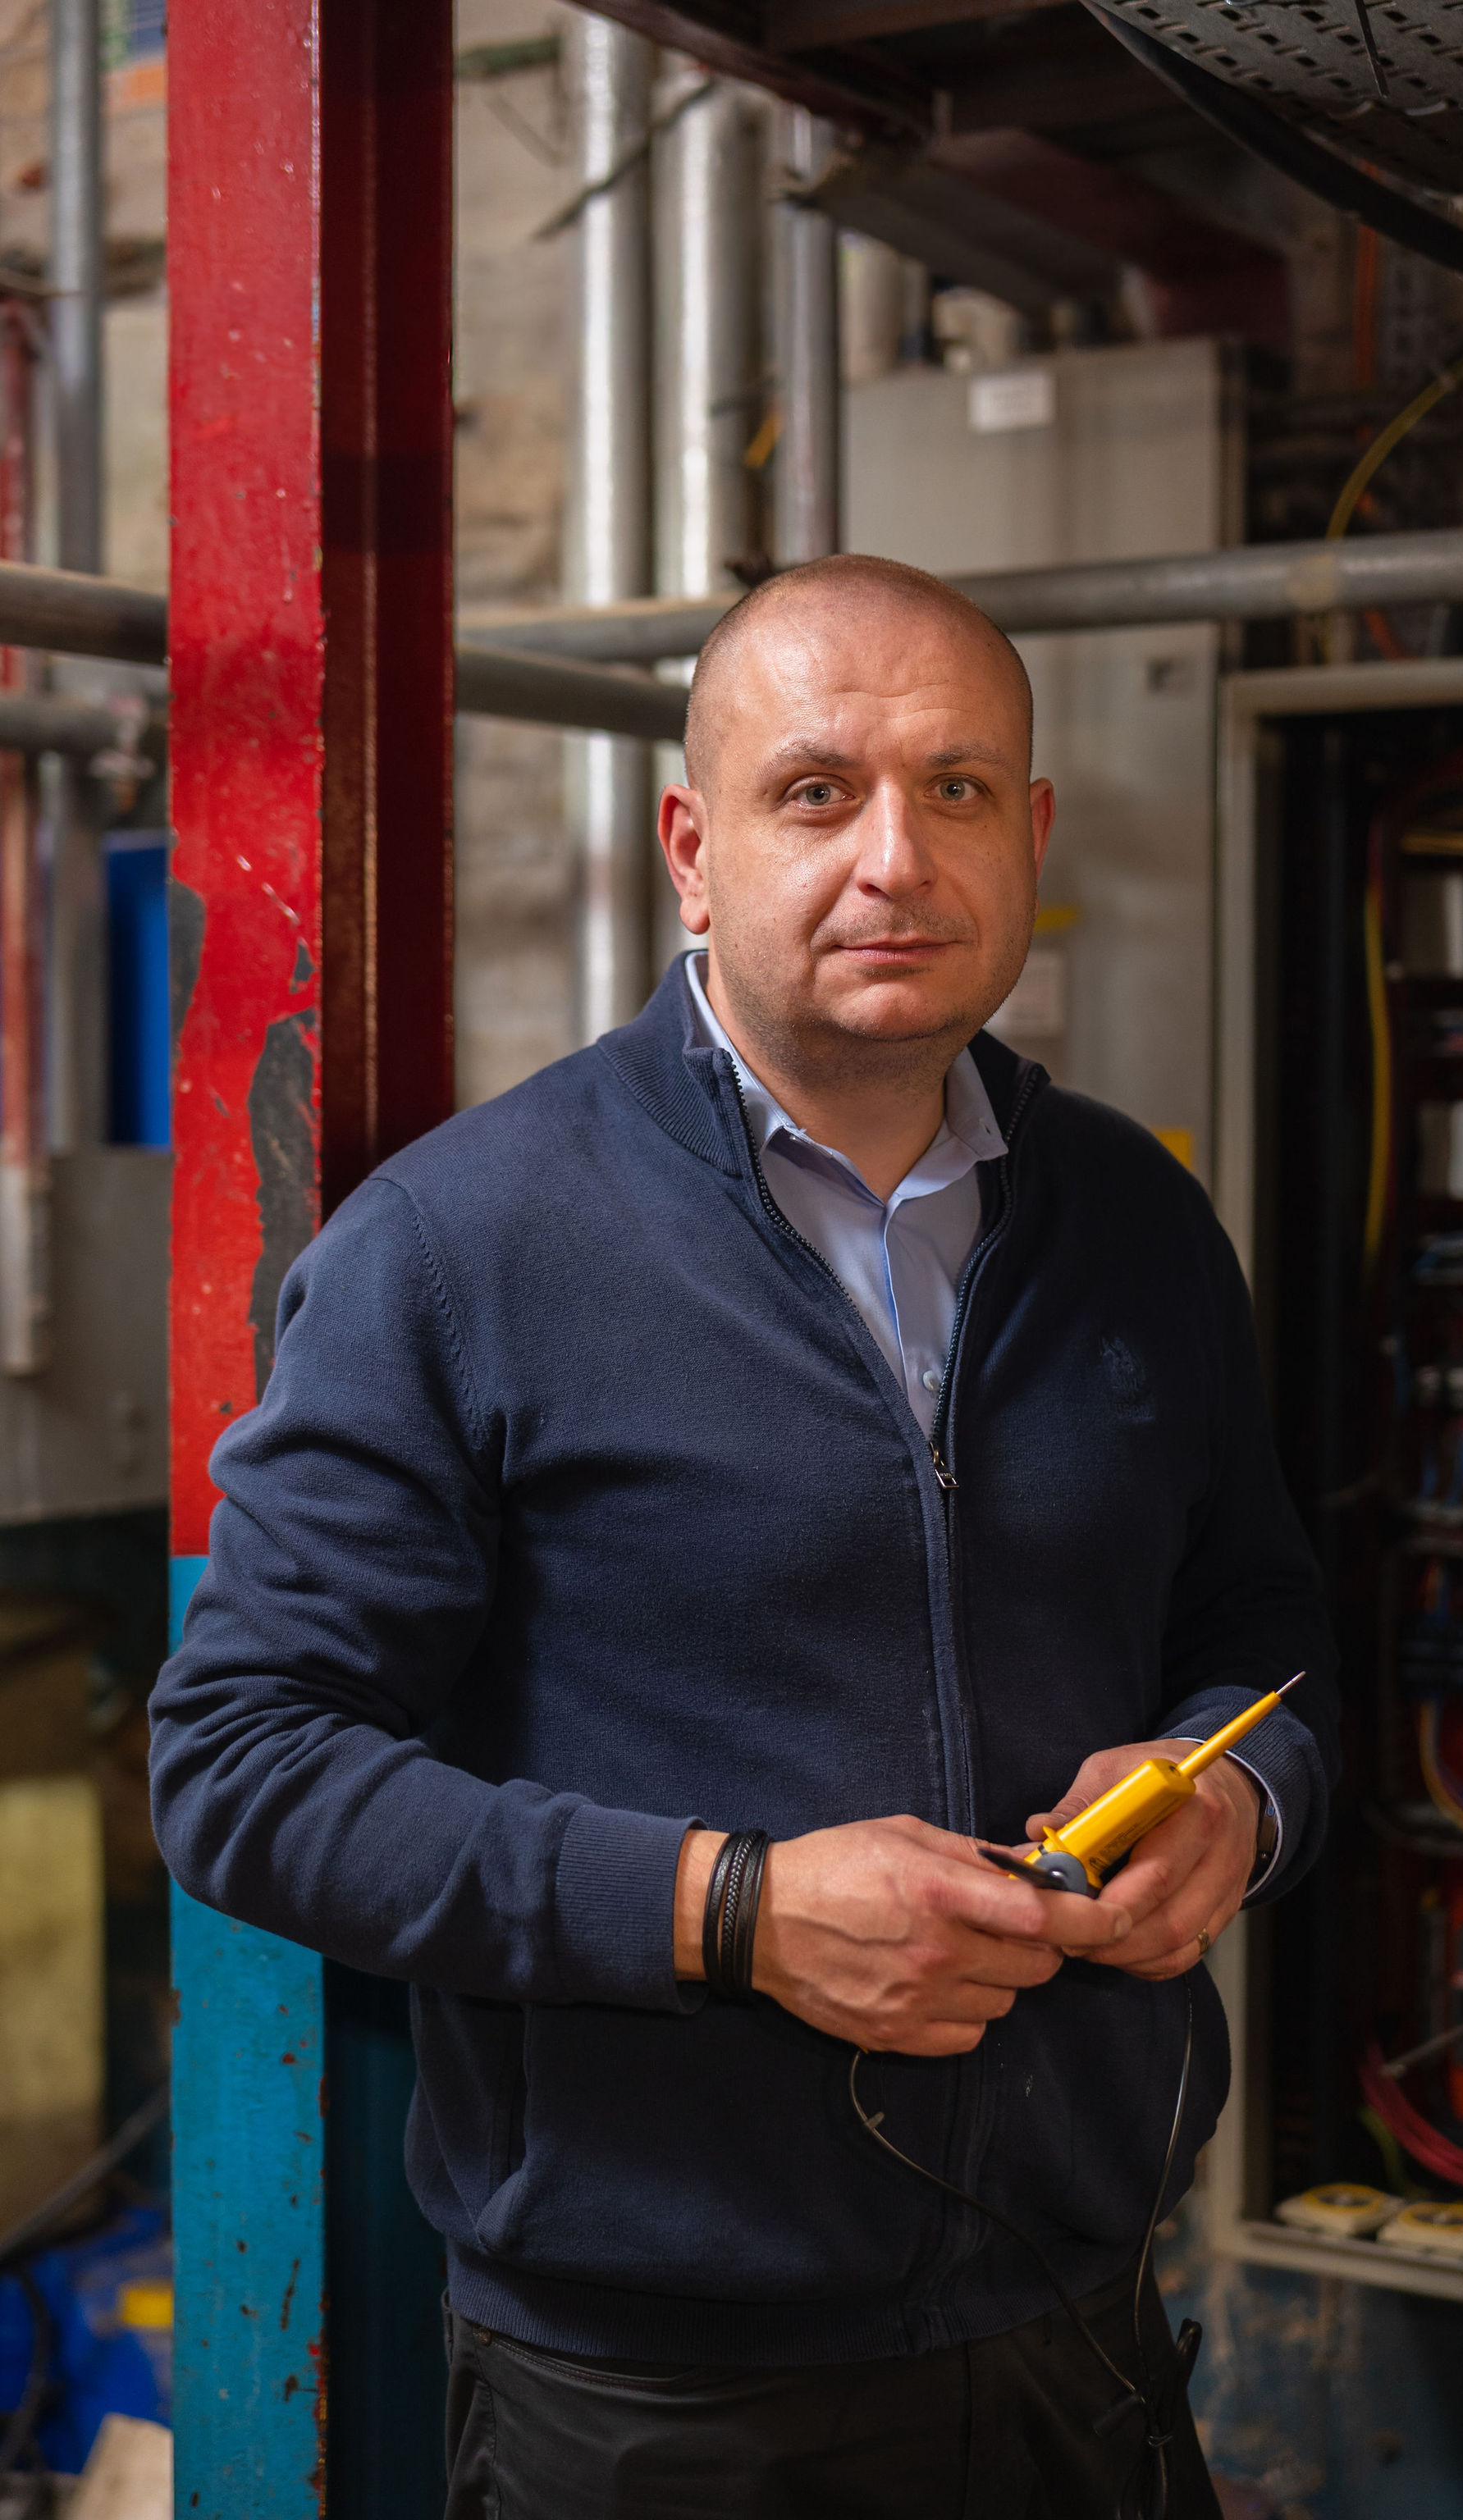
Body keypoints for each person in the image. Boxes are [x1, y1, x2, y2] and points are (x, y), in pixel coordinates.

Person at [150, 553, 1337, 2520]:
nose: (896, 858)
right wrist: (731, 1911)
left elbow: (1269, 1629)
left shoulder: (1132, 1217)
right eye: (818, 793)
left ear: (1032, 836)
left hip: (1088, 2336)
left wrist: (1242, 1801)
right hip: (662, 2400)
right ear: (693, 849)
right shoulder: (462, 1247)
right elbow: (244, 1772)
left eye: (958, 790)